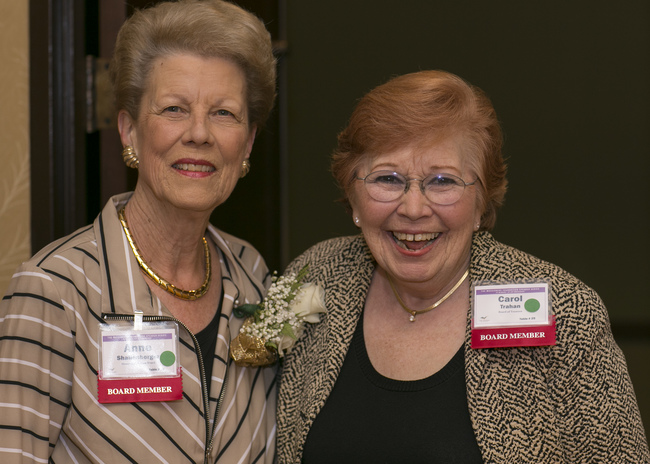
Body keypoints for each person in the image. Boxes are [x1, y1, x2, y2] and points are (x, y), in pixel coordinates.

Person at [276, 70, 649, 463]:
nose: (414, 209)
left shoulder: (566, 312)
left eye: (442, 181)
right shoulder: (319, 276)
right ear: (352, 194)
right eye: (388, 178)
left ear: (481, 203)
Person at [0, 1, 278, 462]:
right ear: (128, 130)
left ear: (246, 143)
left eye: (224, 114)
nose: (199, 134)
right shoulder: (55, 291)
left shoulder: (251, 274)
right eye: (174, 108)